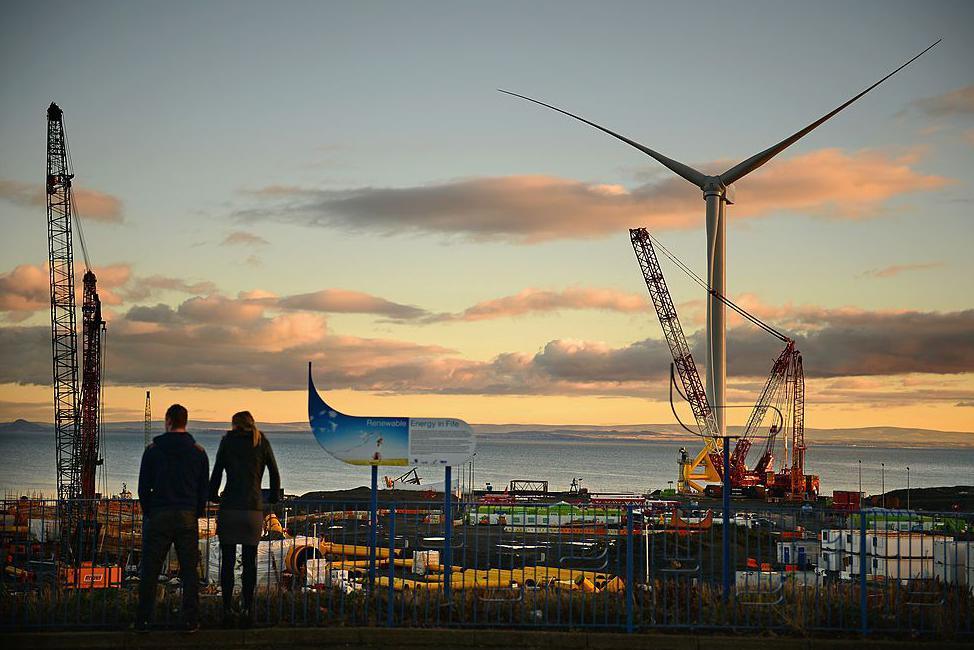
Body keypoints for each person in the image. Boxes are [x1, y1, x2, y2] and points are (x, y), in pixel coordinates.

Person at [136, 404, 209, 633]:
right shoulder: (198, 452)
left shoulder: (152, 450)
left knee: (150, 570)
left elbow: (142, 487)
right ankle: (190, 620)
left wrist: (150, 511)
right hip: (187, 516)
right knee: (189, 571)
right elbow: (203, 490)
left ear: (168, 421)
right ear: (185, 422)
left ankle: (144, 621)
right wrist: (195, 512)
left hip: (158, 515)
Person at [209, 411, 280, 628]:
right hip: (252, 510)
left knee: (228, 564)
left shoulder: (227, 442)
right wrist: (274, 498)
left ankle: (228, 610)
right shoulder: (261, 441)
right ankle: (248, 610)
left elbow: (217, 473)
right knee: (250, 564)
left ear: (234, 425)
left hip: (230, 508)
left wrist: (213, 496)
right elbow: (275, 474)